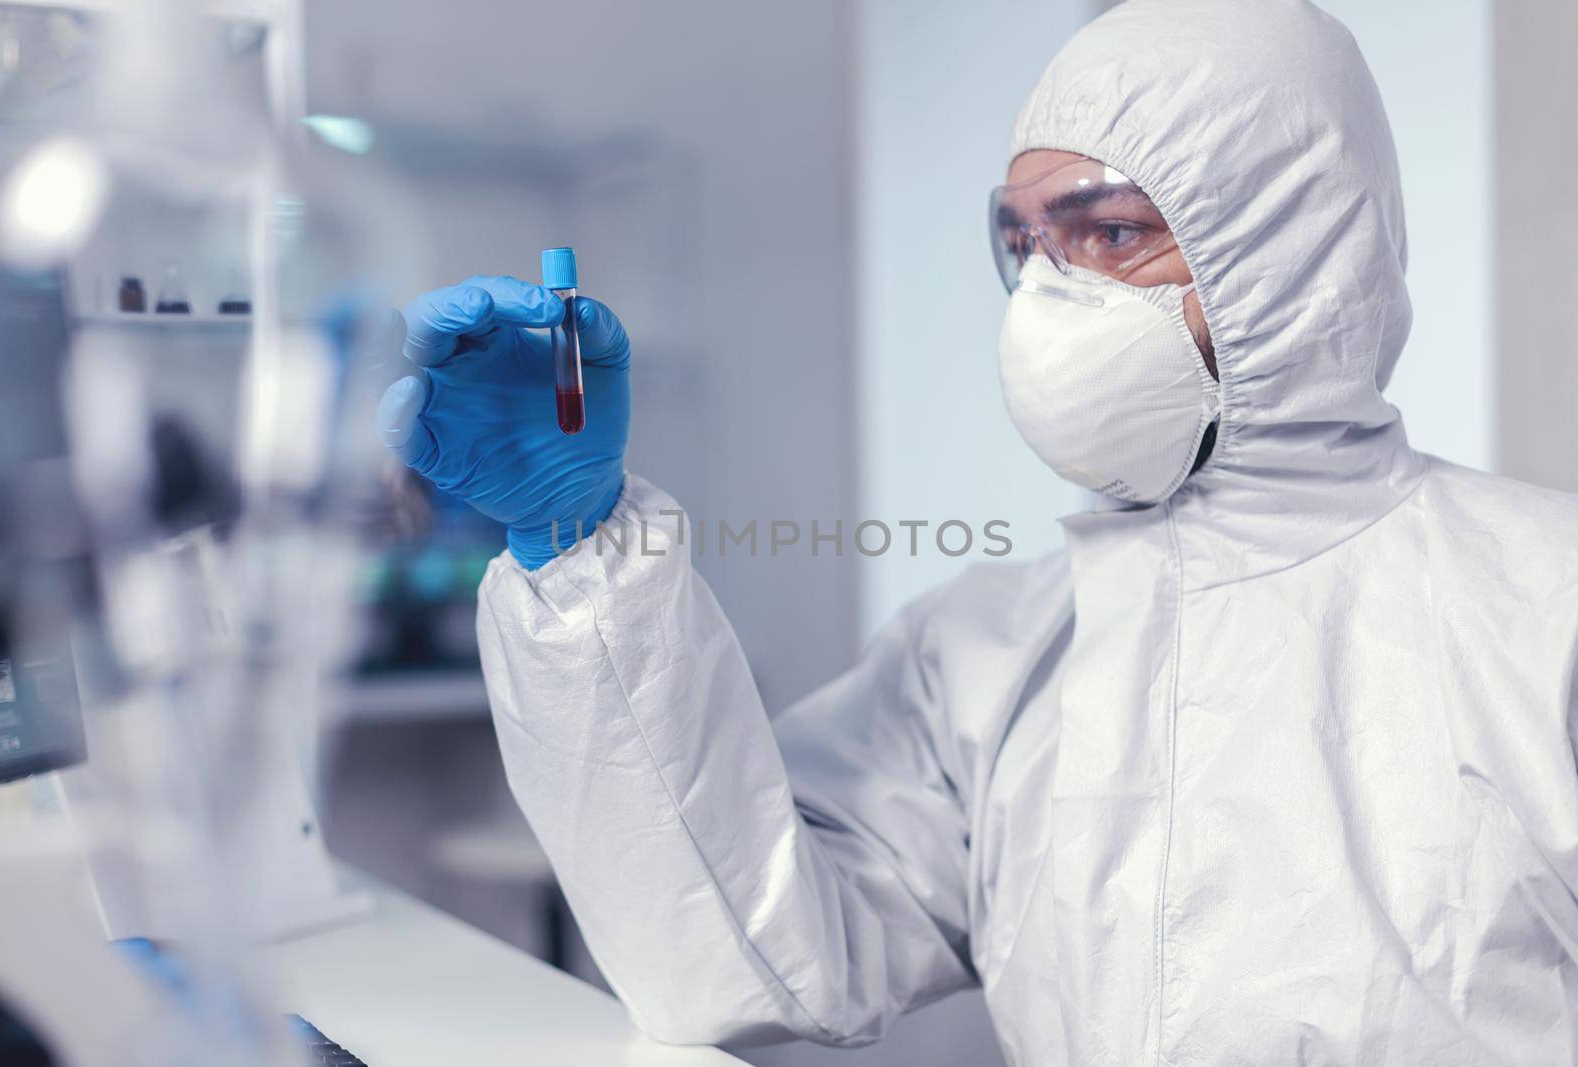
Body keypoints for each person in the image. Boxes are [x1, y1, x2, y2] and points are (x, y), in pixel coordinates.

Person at [376, 0, 1578, 1061]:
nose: (1049, 302)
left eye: (1108, 234)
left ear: (1290, 249)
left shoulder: (1540, 605)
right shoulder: (989, 656)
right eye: (1027, 246)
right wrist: (579, 546)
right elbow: (737, 959)